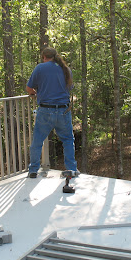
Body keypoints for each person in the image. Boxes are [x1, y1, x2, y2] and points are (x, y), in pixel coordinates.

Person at [26, 47, 79, 178]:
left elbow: (29, 88)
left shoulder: (40, 68)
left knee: (37, 140)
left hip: (45, 110)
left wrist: (34, 93)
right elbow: (70, 88)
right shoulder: (66, 69)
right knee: (67, 140)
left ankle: (33, 170)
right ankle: (71, 169)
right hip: (63, 110)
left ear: (44, 57)